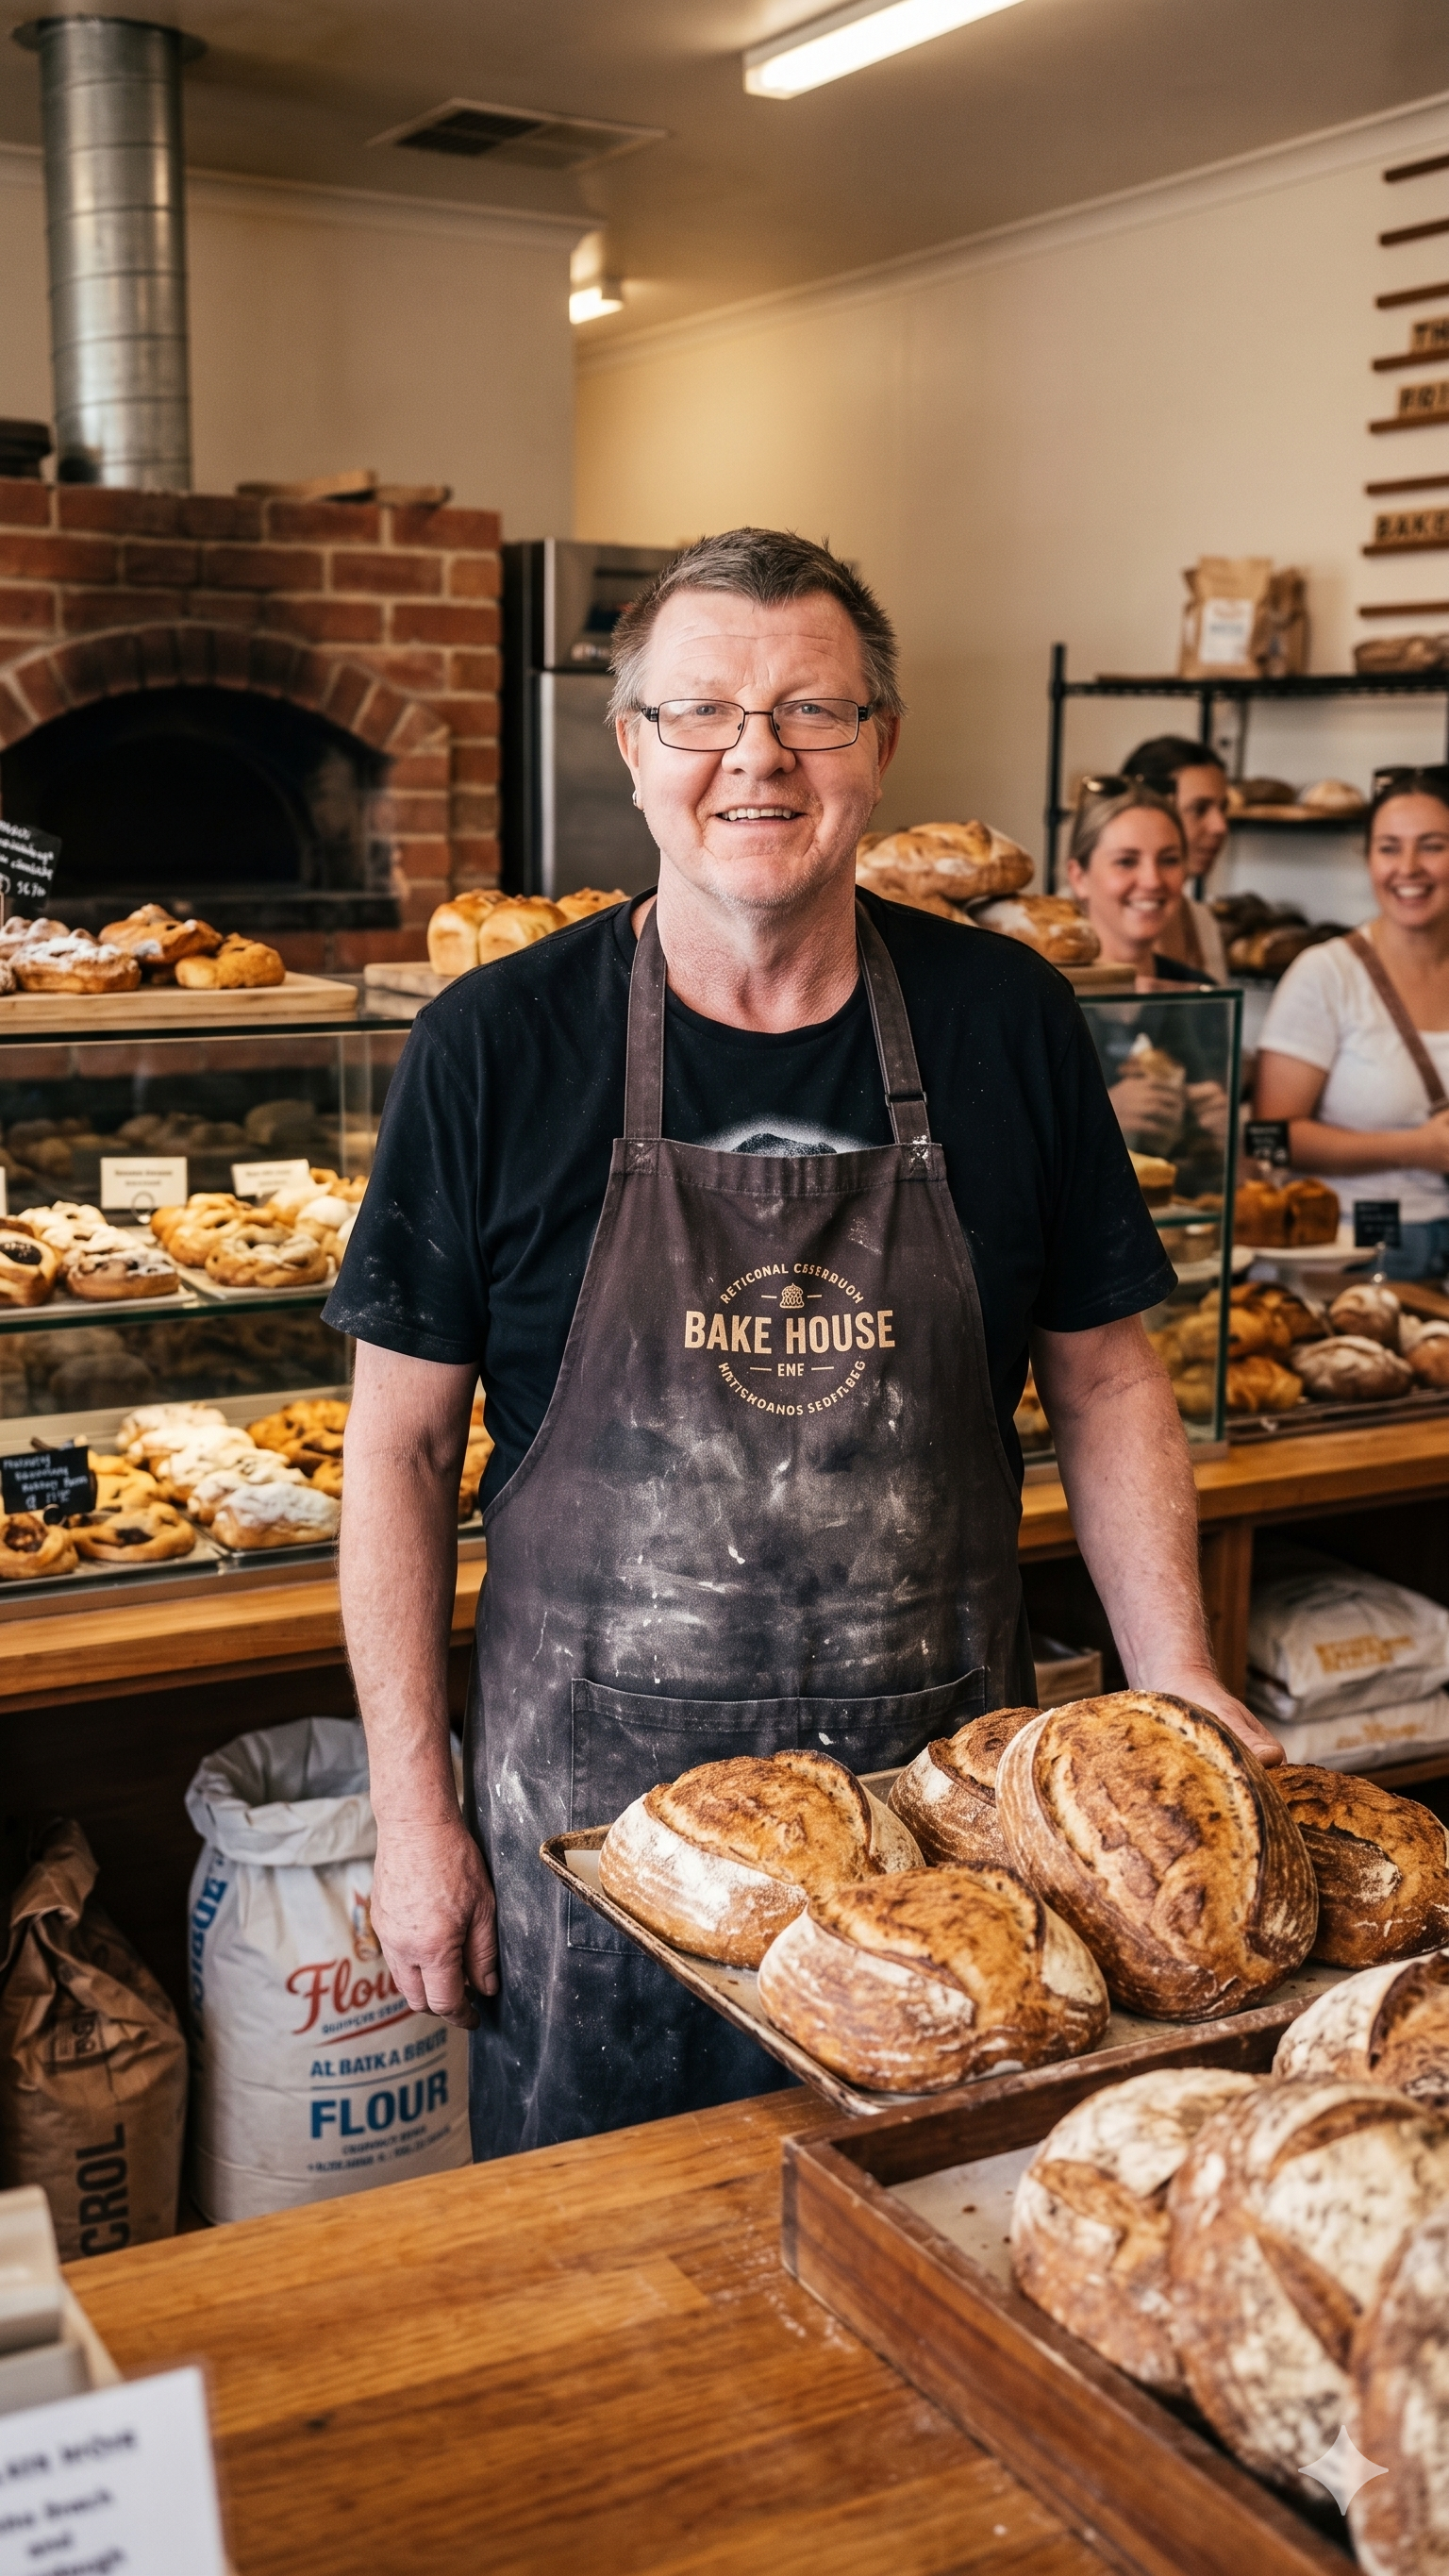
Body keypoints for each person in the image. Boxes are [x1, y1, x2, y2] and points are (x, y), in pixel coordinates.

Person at [327, 527, 1280, 2166]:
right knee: (604, 2290)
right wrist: (414, 1815)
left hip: (946, 1839)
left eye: (810, 714)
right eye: (698, 714)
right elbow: (399, 1453)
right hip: (601, 1845)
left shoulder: (1004, 1023)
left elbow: (1111, 1378)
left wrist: (1175, 1672)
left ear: (880, 748)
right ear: (631, 750)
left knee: (939, 2243)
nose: (752, 759)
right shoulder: (493, 1047)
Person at [1255, 767, 1449, 1280]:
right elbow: (1267, 1137)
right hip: (1350, 1247)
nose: (1408, 868)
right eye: (1388, 848)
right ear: (1367, 860)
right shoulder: (1326, 974)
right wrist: (1418, 1149)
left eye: (1432, 846)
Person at [1065, 781, 1231, 1187]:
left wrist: (1219, 1134)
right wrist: (1105, 1117)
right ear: (1079, 876)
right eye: (1126, 861)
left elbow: (1217, 1176)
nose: (1153, 880)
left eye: (1170, 860)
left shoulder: (1201, 996)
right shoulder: (1040, 993)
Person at [1122, 734, 1232, 980]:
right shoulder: (1070, 924)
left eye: (1223, 808)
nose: (1220, 826)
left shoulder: (1202, 921)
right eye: (1199, 809)